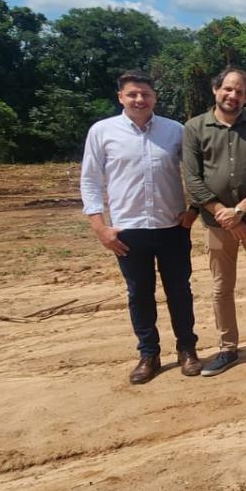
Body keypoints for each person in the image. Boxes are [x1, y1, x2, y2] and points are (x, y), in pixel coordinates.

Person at [79, 70, 200, 385]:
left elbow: (197, 172)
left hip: (172, 226)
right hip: (128, 230)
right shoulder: (102, 132)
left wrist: (194, 211)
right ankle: (149, 354)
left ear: (154, 97)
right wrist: (99, 227)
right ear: (120, 97)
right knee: (139, 294)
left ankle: (187, 349)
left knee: (180, 291)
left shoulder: (175, 131)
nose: (139, 99)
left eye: (145, 94)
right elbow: (90, 180)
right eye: (132, 94)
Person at [182, 67, 246, 375]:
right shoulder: (195, 127)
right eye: (228, 89)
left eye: (240, 92)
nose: (233, 96)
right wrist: (224, 214)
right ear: (216, 90)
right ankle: (228, 348)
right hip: (216, 223)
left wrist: (239, 211)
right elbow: (192, 179)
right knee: (221, 287)